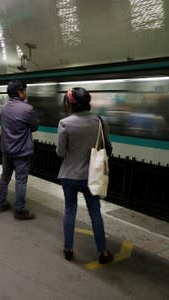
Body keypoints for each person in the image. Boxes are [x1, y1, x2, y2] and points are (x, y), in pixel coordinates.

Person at [56, 87, 114, 264]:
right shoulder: (100, 121)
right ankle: (103, 252)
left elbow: (60, 153)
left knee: (70, 210)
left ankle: (68, 248)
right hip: (92, 176)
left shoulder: (64, 123)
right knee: (95, 212)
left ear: (70, 104)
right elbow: (108, 147)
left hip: (69, 175)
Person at [0, 80, 38, 220]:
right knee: (21, 180)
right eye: (24, 91)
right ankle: (19, 210)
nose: (25, 93)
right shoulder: (27, 109)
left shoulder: (4, 108)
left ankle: (1, 204)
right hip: (21, 152)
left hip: (6, 150)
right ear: (20, 92)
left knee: (5, 177)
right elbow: (34, 127)